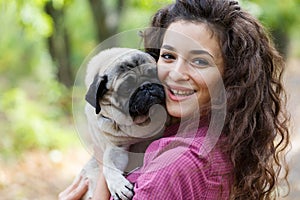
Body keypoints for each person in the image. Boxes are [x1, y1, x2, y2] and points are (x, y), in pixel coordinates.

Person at [59, 0, 290, 199]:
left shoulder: (173, 165)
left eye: (199, 61)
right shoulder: (230, 135)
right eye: (168, 56)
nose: (176, 73)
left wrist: (101, 182)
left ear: (231, 73)